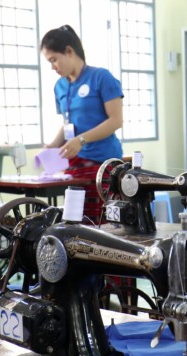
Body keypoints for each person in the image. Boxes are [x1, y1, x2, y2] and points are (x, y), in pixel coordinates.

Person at [40, 25, 124, 223]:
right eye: (48, 61)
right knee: (76, 223)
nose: (52, 66)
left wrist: (82, 140)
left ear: (69, 51)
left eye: (54, 59)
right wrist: (52, 146)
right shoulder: (60, 86)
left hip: (102, 164)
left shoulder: (101, 77)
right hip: (75, 166)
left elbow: (116, 120)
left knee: (102, 225)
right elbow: (68, 123)